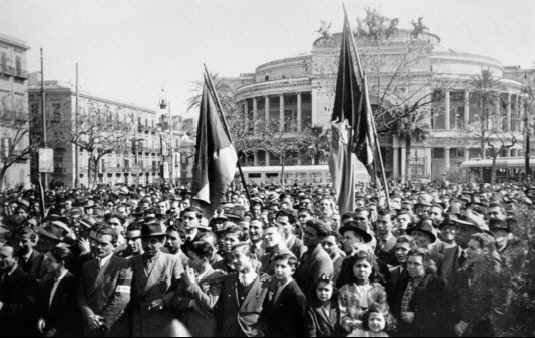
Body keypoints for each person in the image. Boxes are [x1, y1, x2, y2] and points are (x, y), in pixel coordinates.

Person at [130, 218, 185, 337]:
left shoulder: (172, 261)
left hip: (162, 321)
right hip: (140, 323)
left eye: (153, 241)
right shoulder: (133, 262)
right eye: (145, 241)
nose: (148, 245)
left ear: (162, 241)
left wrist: (165, 301)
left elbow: (180, 289)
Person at [77, 227, 132, 337]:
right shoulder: (87, 266)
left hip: (112, 326)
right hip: (91, 325)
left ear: (114, 245)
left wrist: (102, 321)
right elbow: (81, 296)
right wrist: (89, 316)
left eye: (104, 244)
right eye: (96, 242)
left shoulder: (123, 265)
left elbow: (122, 297)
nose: (98, 247)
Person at [450, 233, 503, 337]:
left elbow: (495, 307)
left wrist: (470, 324)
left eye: (472, 248)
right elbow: (454, 297)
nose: (467, 251)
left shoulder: (496, 274)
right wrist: (456, 322)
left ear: (485, 251)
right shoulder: (464, 270)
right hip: (460, 329)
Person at [214, 243, 270, 337]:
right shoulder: (227, 279)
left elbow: (268, 313)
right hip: (229, 332)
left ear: (250, 257)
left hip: (253, 333)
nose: (234, 261)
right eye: (232, 257)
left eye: (238, 256)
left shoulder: (265, 282)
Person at [392, 248, 451, 337]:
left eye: (416, 264)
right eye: (409, 263)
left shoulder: (437, 284)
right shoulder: (402, 282)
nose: (411, 267)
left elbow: (442, 313)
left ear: (426, 265)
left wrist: (417, 317)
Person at [173, 242, 224, 337]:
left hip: (205, 329)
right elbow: (176, 300)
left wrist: (192, 285)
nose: (188, 260)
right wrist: (192, 303)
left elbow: (209, 303)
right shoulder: (187, 274)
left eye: (192, 258)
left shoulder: (217, 277)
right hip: (185, 328)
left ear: (204, 260)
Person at [338, 250, 388, 335]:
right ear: (352, 268)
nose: (361, 269)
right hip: (353, 331)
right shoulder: (344, 290)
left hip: (374, 330)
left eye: (365, 266)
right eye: (358, 266)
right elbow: (343, 316)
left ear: (371, 268)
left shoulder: (378, 289)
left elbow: (383, 312)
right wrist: (352, 324)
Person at [37, 247, 83, 337]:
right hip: (46, 329)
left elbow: (71, 313)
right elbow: (44, 305)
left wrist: (55, 330)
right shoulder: (48, 280)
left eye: (50, 260)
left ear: (61, 263)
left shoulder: (72, 283)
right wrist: (41, 318)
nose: (46, 263)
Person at [262, 254, 307, 337]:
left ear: (292, 271)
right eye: (277, 266)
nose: (278, 270)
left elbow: (299, 326)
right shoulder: (276, 285)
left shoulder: (296, 294)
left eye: (283, 267)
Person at [0, 242, 39, 337]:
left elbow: (27, 309)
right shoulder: (2, 272)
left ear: (16, 259)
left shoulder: (27, 280)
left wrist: (2, 307)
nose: (0, 259)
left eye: (4, 256)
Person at [294, 219, 334, 299]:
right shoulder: (306, 254)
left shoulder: (322, 259)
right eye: (305, 232)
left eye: (311, 235)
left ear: (321, 238)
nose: (306, 236)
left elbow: (318, 288)